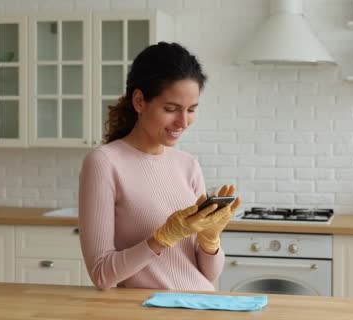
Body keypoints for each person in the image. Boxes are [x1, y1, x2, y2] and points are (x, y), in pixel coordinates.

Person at [78, 42, 241, 291]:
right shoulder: (104, 163)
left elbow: (208, 275)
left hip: (203, 306)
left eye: (192, 110)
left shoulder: (188, 165)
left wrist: (210, 240)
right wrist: (162, 238)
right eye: (171, 109)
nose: (183, 122)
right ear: (140, 101)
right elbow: (101, 274)